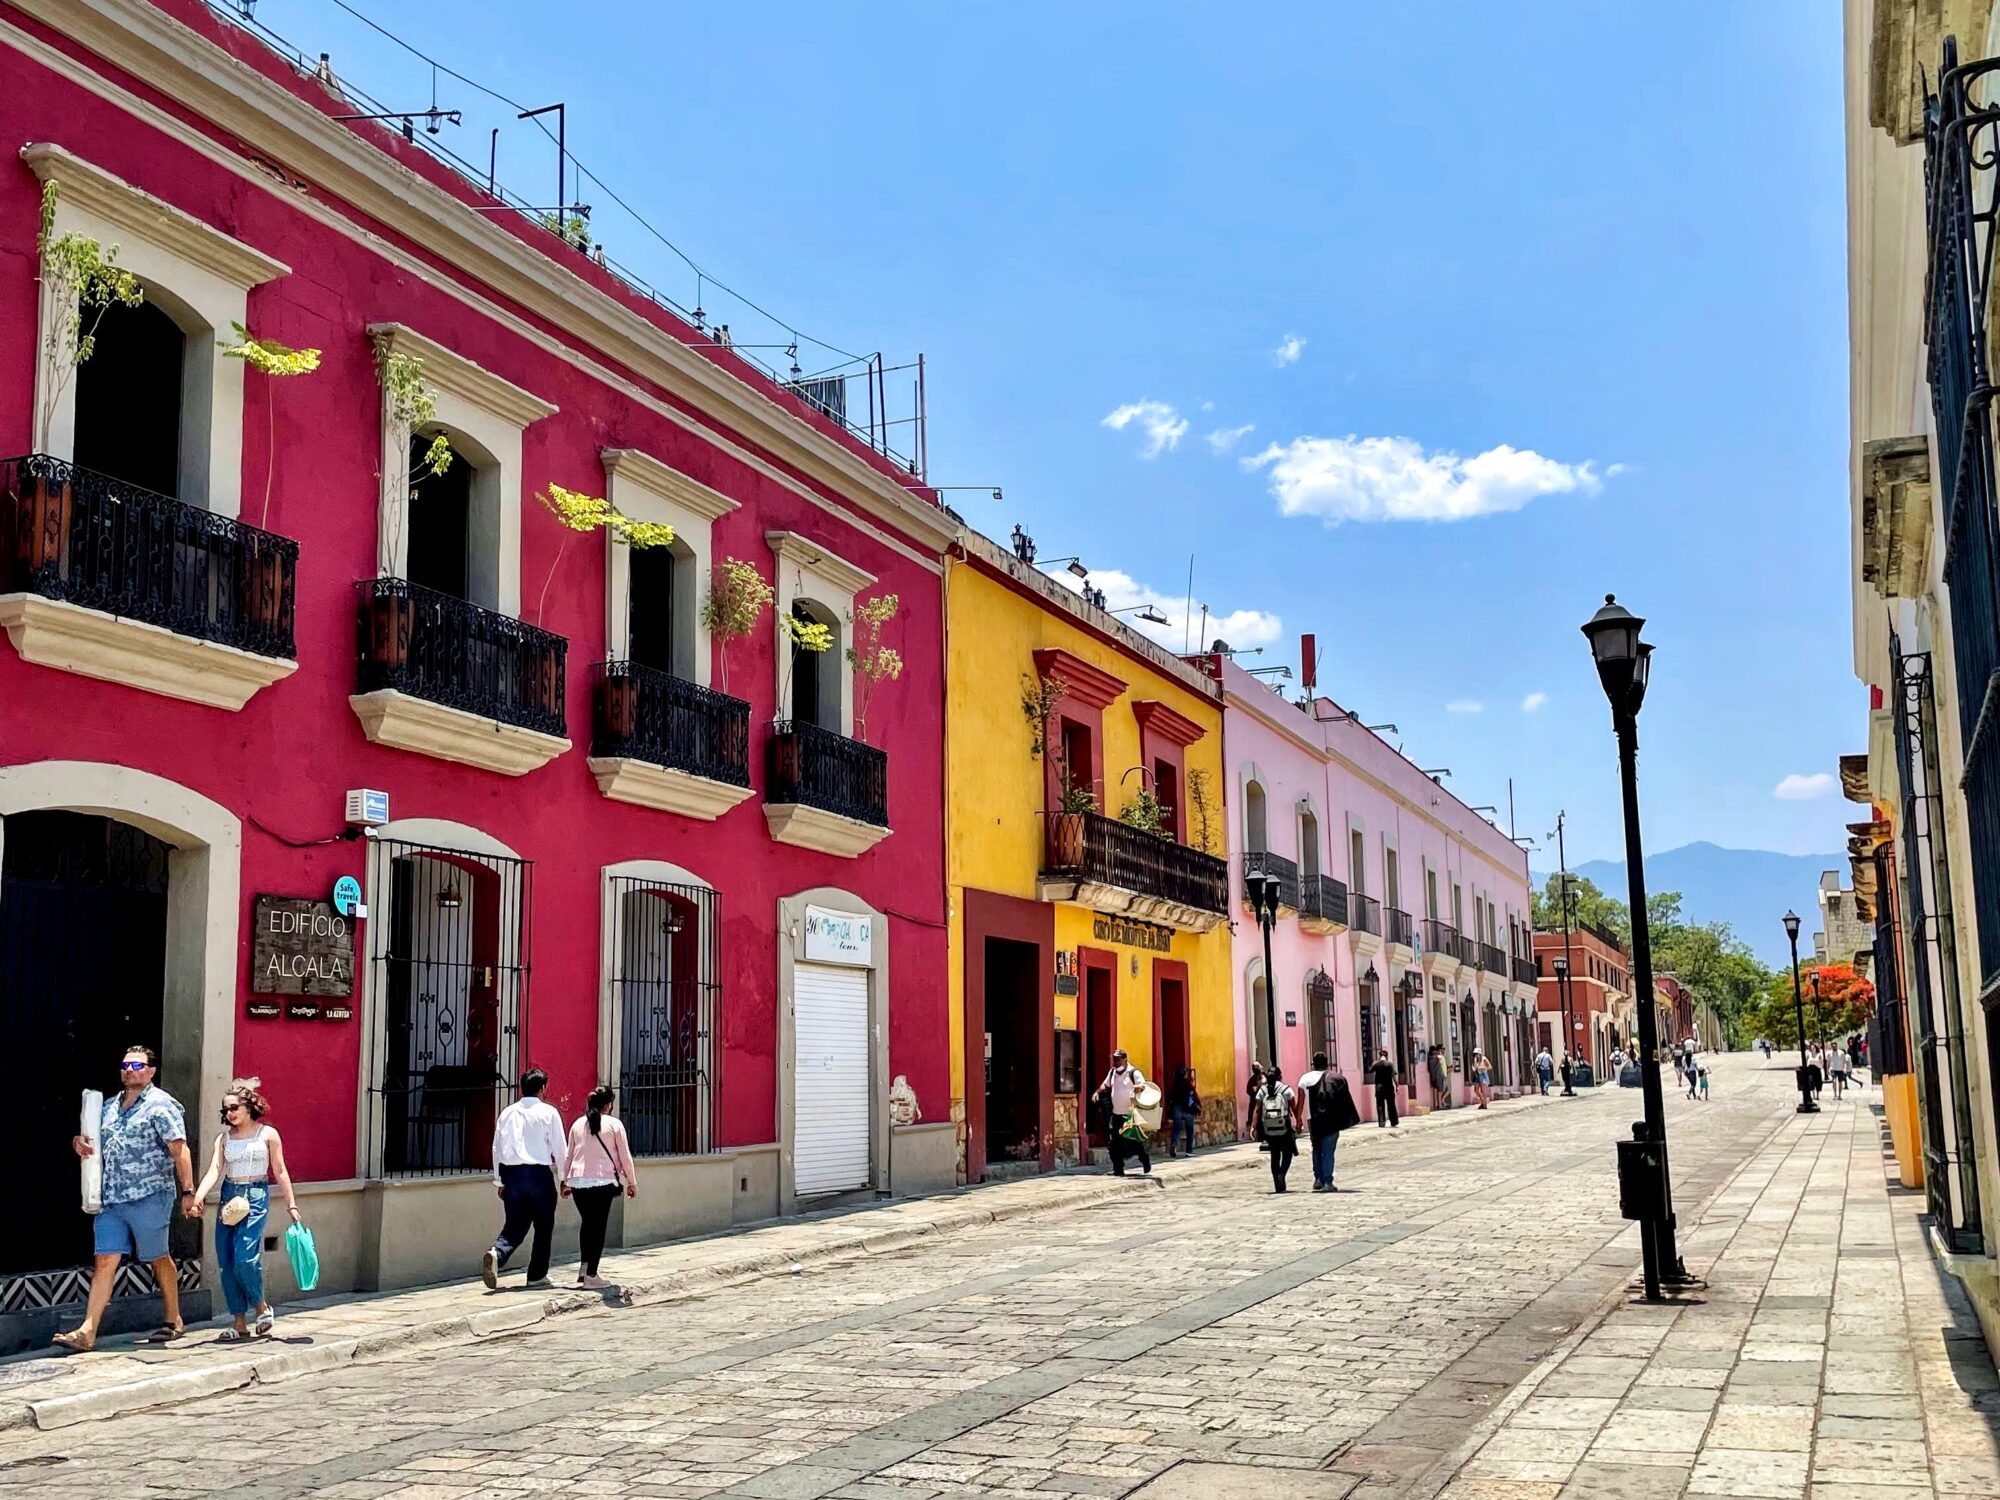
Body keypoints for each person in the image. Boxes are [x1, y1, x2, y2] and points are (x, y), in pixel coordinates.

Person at [56, 1045, 198, 1352]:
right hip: (113, 1199)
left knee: (157, 1258)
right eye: (125, 1065)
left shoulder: (161, 1106)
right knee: (105, 1259)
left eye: (136, 1065)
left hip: (150, 1195)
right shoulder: (107, 1106)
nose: (129, 1070)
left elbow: (180, 1149)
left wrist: (188, 1192)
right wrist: (78, 1142)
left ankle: (174, 1318)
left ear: (151, 1071)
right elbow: (89, 1140)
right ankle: (87, 1331)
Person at [191, 1078, 301, 1340]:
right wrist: (199, 1196)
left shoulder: (268, 1134)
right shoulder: (224, 1139)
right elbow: (215, 1170)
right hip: (230, 1195)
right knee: (227, 1261)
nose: (229, 1114)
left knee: (244, 1258)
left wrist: (291, 1205)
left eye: (233, 1108)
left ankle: (262, 1307)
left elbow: (280, 1170)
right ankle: (239, 1322)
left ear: (248, 1107)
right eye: (225, 1110)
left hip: (255, 1194)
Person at [483, 1067, 566, 1291]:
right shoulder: (548, 1112)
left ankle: (497, 1254)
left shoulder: (507, 1113)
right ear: (543, 1089)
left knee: (515, 1224)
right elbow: (560, 1148)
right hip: (539, 1174)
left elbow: (496, 1148)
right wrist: (565, 1178)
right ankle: (537, 1275)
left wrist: (500, 1180)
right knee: (544, 1225)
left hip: (513, 1175)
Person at [562, 1084, 636, 1289]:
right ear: (609, 1105)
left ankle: (584, 1268)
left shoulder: (577, 1124)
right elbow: (625, 1156)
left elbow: (569, 1155)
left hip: (578, 1182)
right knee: (598, 1228)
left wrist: (565, 1181)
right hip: (603, 1182)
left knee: (588, 1225)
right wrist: (631, 1181)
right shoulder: (614, 1124)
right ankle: (591, 1274)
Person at [1296, 1052, 1361, 1192]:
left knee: (1317, 1149)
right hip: (1331, 1119)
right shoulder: (1336, 1078)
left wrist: (1298, 1119)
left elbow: (1300, 1101)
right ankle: (1328, 1181)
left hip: (1312, 1119)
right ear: (1327, 1063)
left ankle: (1318, 1179)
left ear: (1313, 1063)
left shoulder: (1304, 1079)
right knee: (1328, 1151)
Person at [1092, 1049, 1151, 1177]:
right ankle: (1118, 1169)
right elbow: (1105, 1085)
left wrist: (1138, 1088)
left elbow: (1143, 1085)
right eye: (1114, 1059)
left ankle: (1144, 1159)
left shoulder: (1133, 1073)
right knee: (1115, 1143)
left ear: (1125, 1059)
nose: (1116, 1061)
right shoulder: (1113, 1072)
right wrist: (1097, 1092)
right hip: (1116, 1114)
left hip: (1130, 1115)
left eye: (1118, 1059)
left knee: (1133, 1141)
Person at [1255, 1064, 1300, 1192]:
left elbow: (1257, 1110)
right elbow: (1294, 1107)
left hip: (1269, 1128)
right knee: (1288, 1153)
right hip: (1284, 1126)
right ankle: (1282, 1174)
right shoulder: (1286, 1090)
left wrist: (1253, 1127)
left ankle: (1277, 1183)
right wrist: (1299, 1121)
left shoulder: (1262, 1091)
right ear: (1280, 1076)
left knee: (1274, 1154)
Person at [1167, 1065, 1201, 1158]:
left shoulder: (1175, 1084)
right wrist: (1198, 1105)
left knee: (1176, 1129)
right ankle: (1189, 1151)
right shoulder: (1187, 1083)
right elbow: (1194, 1094)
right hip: (1188, 1109)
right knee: (1190, 1130)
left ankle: (1174, 1144)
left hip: (1177, 1107)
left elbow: (1170, 1096)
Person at [1372, 1049, 1400, 1128]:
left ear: (1379, 1056)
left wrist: (1376, 1063)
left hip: (1379, 1088)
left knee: (1380, 1105)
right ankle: (1394, 1121)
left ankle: (1381, 1122)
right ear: (1387, 1056)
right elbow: (1394, 1077)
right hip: (1389, 1088)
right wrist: (1397, 1086)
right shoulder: (1390, 1064)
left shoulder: (1376, 1064)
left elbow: (1370, 1070)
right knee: (1391, 1105)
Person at [1245, 1063, 1268, 1149]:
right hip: (1255, 1103)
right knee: (1256, 1119)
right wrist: (1255, 1093)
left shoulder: (1266, 1077)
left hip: (1266, 1103)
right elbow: (1248, 1090)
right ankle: (1258, 1136)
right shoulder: (1252, 1080)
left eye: (1257, 1066)